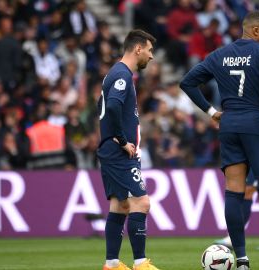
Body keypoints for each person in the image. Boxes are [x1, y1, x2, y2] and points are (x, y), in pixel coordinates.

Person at [180, 10, 259, 270]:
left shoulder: (220, 54)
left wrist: (212, 112)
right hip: (258, 124)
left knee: (234, 191)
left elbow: (188, 82)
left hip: (229, 125)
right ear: (255, 30)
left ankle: (242, 263)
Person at [97, 29, 160, 270]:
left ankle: (111, 264)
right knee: (141, 203)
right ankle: (141, 263)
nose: (151, 56)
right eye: (149, 50)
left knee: (120, 205)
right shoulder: (122, 74)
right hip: (119, 152)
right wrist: (122, 141)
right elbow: (112, 106)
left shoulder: (114, 73)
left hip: (110, 151)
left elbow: (105, 106)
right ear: (138, 49)